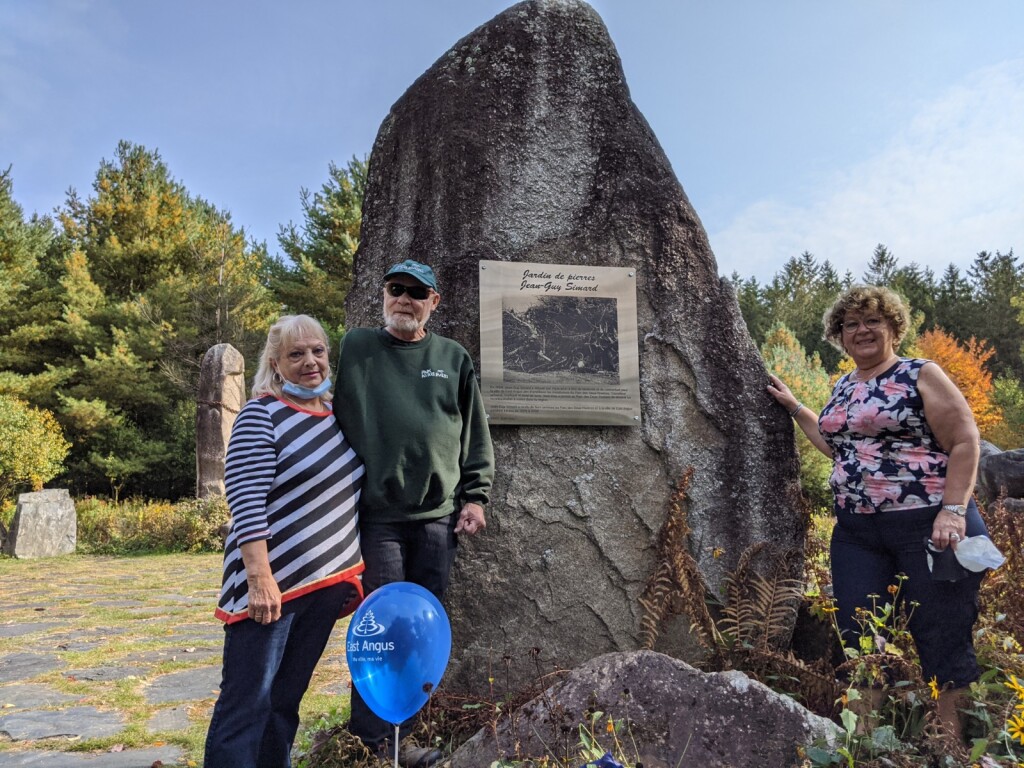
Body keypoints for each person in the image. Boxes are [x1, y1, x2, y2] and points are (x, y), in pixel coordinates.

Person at [767, 285, 986, 739]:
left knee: (941, 635)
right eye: (851, 324)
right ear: (839, 336)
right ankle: (865, 743)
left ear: (893, 328)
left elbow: (965, 441)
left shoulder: (920, 373)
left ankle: (953, 747)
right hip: (857, 533)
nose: (862, 330)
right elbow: (841, 449)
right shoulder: (845, 385)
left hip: (928, 525)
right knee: (859, 637)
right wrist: (797, 409)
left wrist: (953, 511)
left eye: (872, 321)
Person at [334, 259, 494, 766]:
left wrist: (476, 496)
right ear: (383, 295)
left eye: (416, 293)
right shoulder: (356, 348)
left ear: (434, 302)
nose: (405, 299)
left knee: (422, 628)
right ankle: (373, 741)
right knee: (379, 627)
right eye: (395, 290)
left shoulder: (452, 356)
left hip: (437, 518)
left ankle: (409, 735)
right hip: (377, 517)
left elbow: (475, 434)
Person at [204, 315, 365, 768]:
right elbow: (246, 499)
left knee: (284, 701)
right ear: (275, 364)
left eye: (317, 351)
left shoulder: (335, 414)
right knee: (246, 704)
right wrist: (259, 578)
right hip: (271, 586)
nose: (310, 361)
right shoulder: (261, 414)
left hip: (323, 585)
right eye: (296, 354)